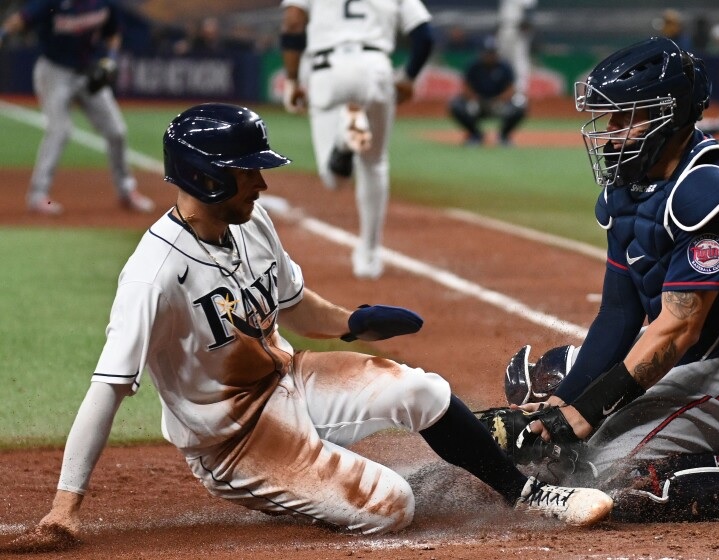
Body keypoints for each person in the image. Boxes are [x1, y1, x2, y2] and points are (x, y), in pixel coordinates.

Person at [5, 103, 614, 553]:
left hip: (290, 379)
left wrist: (352, 323)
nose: (263, 182)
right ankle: (349, 477)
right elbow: (108, 386)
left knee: (423, 390)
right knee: (391, 507)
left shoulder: (251, 223)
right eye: (250, 172)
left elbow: (292, 304)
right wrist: (65, 507)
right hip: (235, 442)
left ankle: (525, 492)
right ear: (209, 177)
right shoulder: (154, 274)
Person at [482, 36, 719, 524]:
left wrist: (584, 415)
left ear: (670, 118)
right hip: (695, 363)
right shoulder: (630, 186)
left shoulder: (711, 188)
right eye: (607, 119)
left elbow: (678, 328)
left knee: (603, 479)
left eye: (625, 118)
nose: (608, 135)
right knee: (558, 424)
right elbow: (621, 313)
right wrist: (562, 407)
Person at [280, 0, 434, 280]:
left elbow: (292, 21)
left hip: (327, 69)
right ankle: (368, 255)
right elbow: (425, 35)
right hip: (375, 68)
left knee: (333, 178)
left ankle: (343, 138)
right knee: (374, 164)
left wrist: (292, 80)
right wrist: (409, 77)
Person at [0, 0, 155, 216]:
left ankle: (127, 191)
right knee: (60, 131)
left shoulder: (102, 3)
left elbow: (113, 33)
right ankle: (38, 195)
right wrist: (3, 34)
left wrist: (110, 59)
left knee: (117, 131)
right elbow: (21, 20)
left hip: (87, 71)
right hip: (54, 71)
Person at [448, 36, 527, 146]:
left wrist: (498, 100)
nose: (490, 56)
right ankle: (475, 135)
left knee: (520, 104)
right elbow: (465, 87)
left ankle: (504, 136)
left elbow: (511, 89)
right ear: (482, 53)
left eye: (493, 52)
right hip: (477, 102)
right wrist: (477, 100)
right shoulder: (473, 66)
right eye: (488, 53)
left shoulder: (504, 66)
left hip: (499, 103)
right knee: (456, 105)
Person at [496, 0, 537, 100]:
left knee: (519, 62)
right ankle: (501, 91)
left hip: (518, 29)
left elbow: (529, 9)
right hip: (503, 28)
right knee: (502, 61)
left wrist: (527, 24)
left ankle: (520, 93)